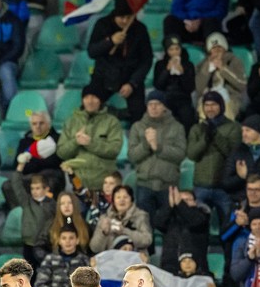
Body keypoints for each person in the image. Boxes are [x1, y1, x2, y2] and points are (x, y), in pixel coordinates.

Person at [86, 0, 152, 122]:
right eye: (121, 18)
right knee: (89, 106)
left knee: (138, 113)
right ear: (115, 15)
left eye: (128, 17)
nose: (125, 21)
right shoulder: (102, 25)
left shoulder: (140, 29)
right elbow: (92, 52)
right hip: (104, 76)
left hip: (130, 77)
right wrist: (110, 41)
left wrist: (132, 83)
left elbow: (146, 60)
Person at [127, 90, 187, 223]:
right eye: (150, 104)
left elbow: (180, 154)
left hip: (168, 185)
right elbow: (132, 155)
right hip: (144, 185)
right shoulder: (137, 127)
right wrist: (147, 145)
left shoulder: (177, 127)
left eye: (158, 104)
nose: (153, 107)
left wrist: (158, 147)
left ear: (164, 106)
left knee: (169, 226)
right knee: (145, 228)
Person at [186, 90, 242, 225]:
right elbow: (192, 154)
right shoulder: (197, 129)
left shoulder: (233, 127)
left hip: (223, 187)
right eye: (207, 105)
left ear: (221, 106)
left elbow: (232, 153)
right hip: (201, 186)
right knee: (199, 228)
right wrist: (205, 138)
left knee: (228, 227)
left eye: (214, 105)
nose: (210, 108)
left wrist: (216, 135)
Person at [56, 85, 124, 193]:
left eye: (94, 97)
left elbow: (114, 150)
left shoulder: (112, 122)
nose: (90, 101)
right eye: (86, 97)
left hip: (105, 186)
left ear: (100, 101)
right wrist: (75, 142)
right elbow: (61, 152)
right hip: (78, 183)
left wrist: (90, 143)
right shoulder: (71, 122)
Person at [152, 188, 210, 276]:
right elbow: (157, 223)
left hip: (196, 270)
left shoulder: (202, 214)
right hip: (170, 267)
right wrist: (169, 205)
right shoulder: (170, 216)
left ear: (195, 202)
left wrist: (180, 204)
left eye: (187, 200)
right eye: (181, 200)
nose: (183, 203)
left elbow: (196, 221)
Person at [194, 32, 246, 121]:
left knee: (226, 112)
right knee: (204, 108)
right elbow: (199, 89)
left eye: (219, 48)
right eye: (214, 48)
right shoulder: (203, 64)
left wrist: (223, 69)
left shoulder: (234, 61)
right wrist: (208, 68)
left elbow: (241, 85)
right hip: (208, 98)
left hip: (230, 98)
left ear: (225, 49)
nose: (216, 51)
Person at [7, 171, 55, 269]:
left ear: (46, 189)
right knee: (30, 273)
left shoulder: (53, 205)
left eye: (38, 188)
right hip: (29, 244)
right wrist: (19, 169)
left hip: (46, 245)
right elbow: (17, 185)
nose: (34, 191)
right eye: (32, 188)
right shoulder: (26, 202)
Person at [89, 185, 152, 254]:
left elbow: (147, 240)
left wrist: (124, 231)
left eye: (125, 197)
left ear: (131, 200)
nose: (122, 200)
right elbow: (95, 248)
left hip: (134, 257)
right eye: (118, 197)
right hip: (111, 259)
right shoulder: (104, 218)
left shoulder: (141, 216)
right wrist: (103, 233)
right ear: (113, 201)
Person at [152, 35, 196, 133]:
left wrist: (182, 73)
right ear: (167, 51)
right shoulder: (160, 64)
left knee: (188, 117)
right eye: (171, 49)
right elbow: (158, 85)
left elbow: (190, 87)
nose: (174, 52)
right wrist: (166, 71)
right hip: (165, 99)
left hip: (183, 99)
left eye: (177, 49)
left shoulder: (188, 65)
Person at [35, 191, 90, 262]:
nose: (66, 206)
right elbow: (39, 247)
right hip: (56, 267)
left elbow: (91, 250)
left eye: (69, 203)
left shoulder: (84, 225)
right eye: (62, 203)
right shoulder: (50, 224)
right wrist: (49, 260)